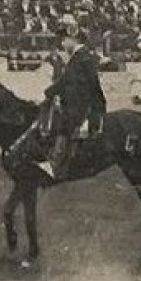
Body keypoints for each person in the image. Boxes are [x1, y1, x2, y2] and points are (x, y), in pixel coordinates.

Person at [36, 15, 106, 179]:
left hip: (83, 105)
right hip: (80, 102)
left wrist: (50, 93)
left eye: (63, 40)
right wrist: (50, 93)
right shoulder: (79, 57)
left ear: (71, 38)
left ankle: (55, 163)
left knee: (65, 120)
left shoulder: (83, 57)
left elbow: (77, 83)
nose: (61, 44)